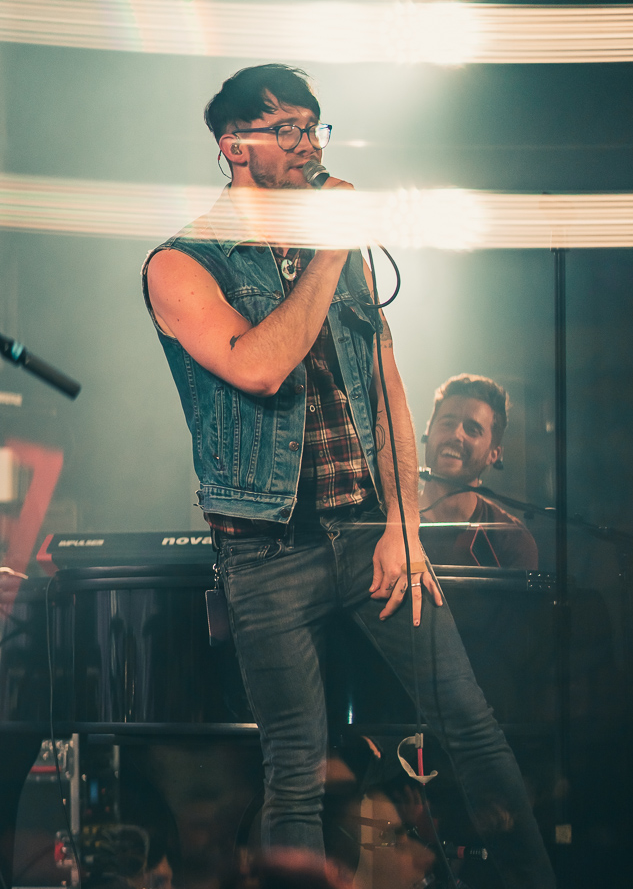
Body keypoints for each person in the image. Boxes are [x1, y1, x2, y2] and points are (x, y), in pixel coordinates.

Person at [142, 64, 555, 888]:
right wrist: (331, 245)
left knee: (469, 724)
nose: (306, 145)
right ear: (233, 146)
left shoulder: (343, 256)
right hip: (264, 551)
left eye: (314, 127)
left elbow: (388, 387)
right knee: (294, 767)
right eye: (286, 128)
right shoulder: (182, 264)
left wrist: (403, 524)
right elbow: (259, 367)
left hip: (369, 528)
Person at [419, 375, 538, 569]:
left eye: (472, 429)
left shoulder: (513, 540)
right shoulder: (392, 523)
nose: (456, 435)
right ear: (428, 432)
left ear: (494, 454)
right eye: (447, 423)